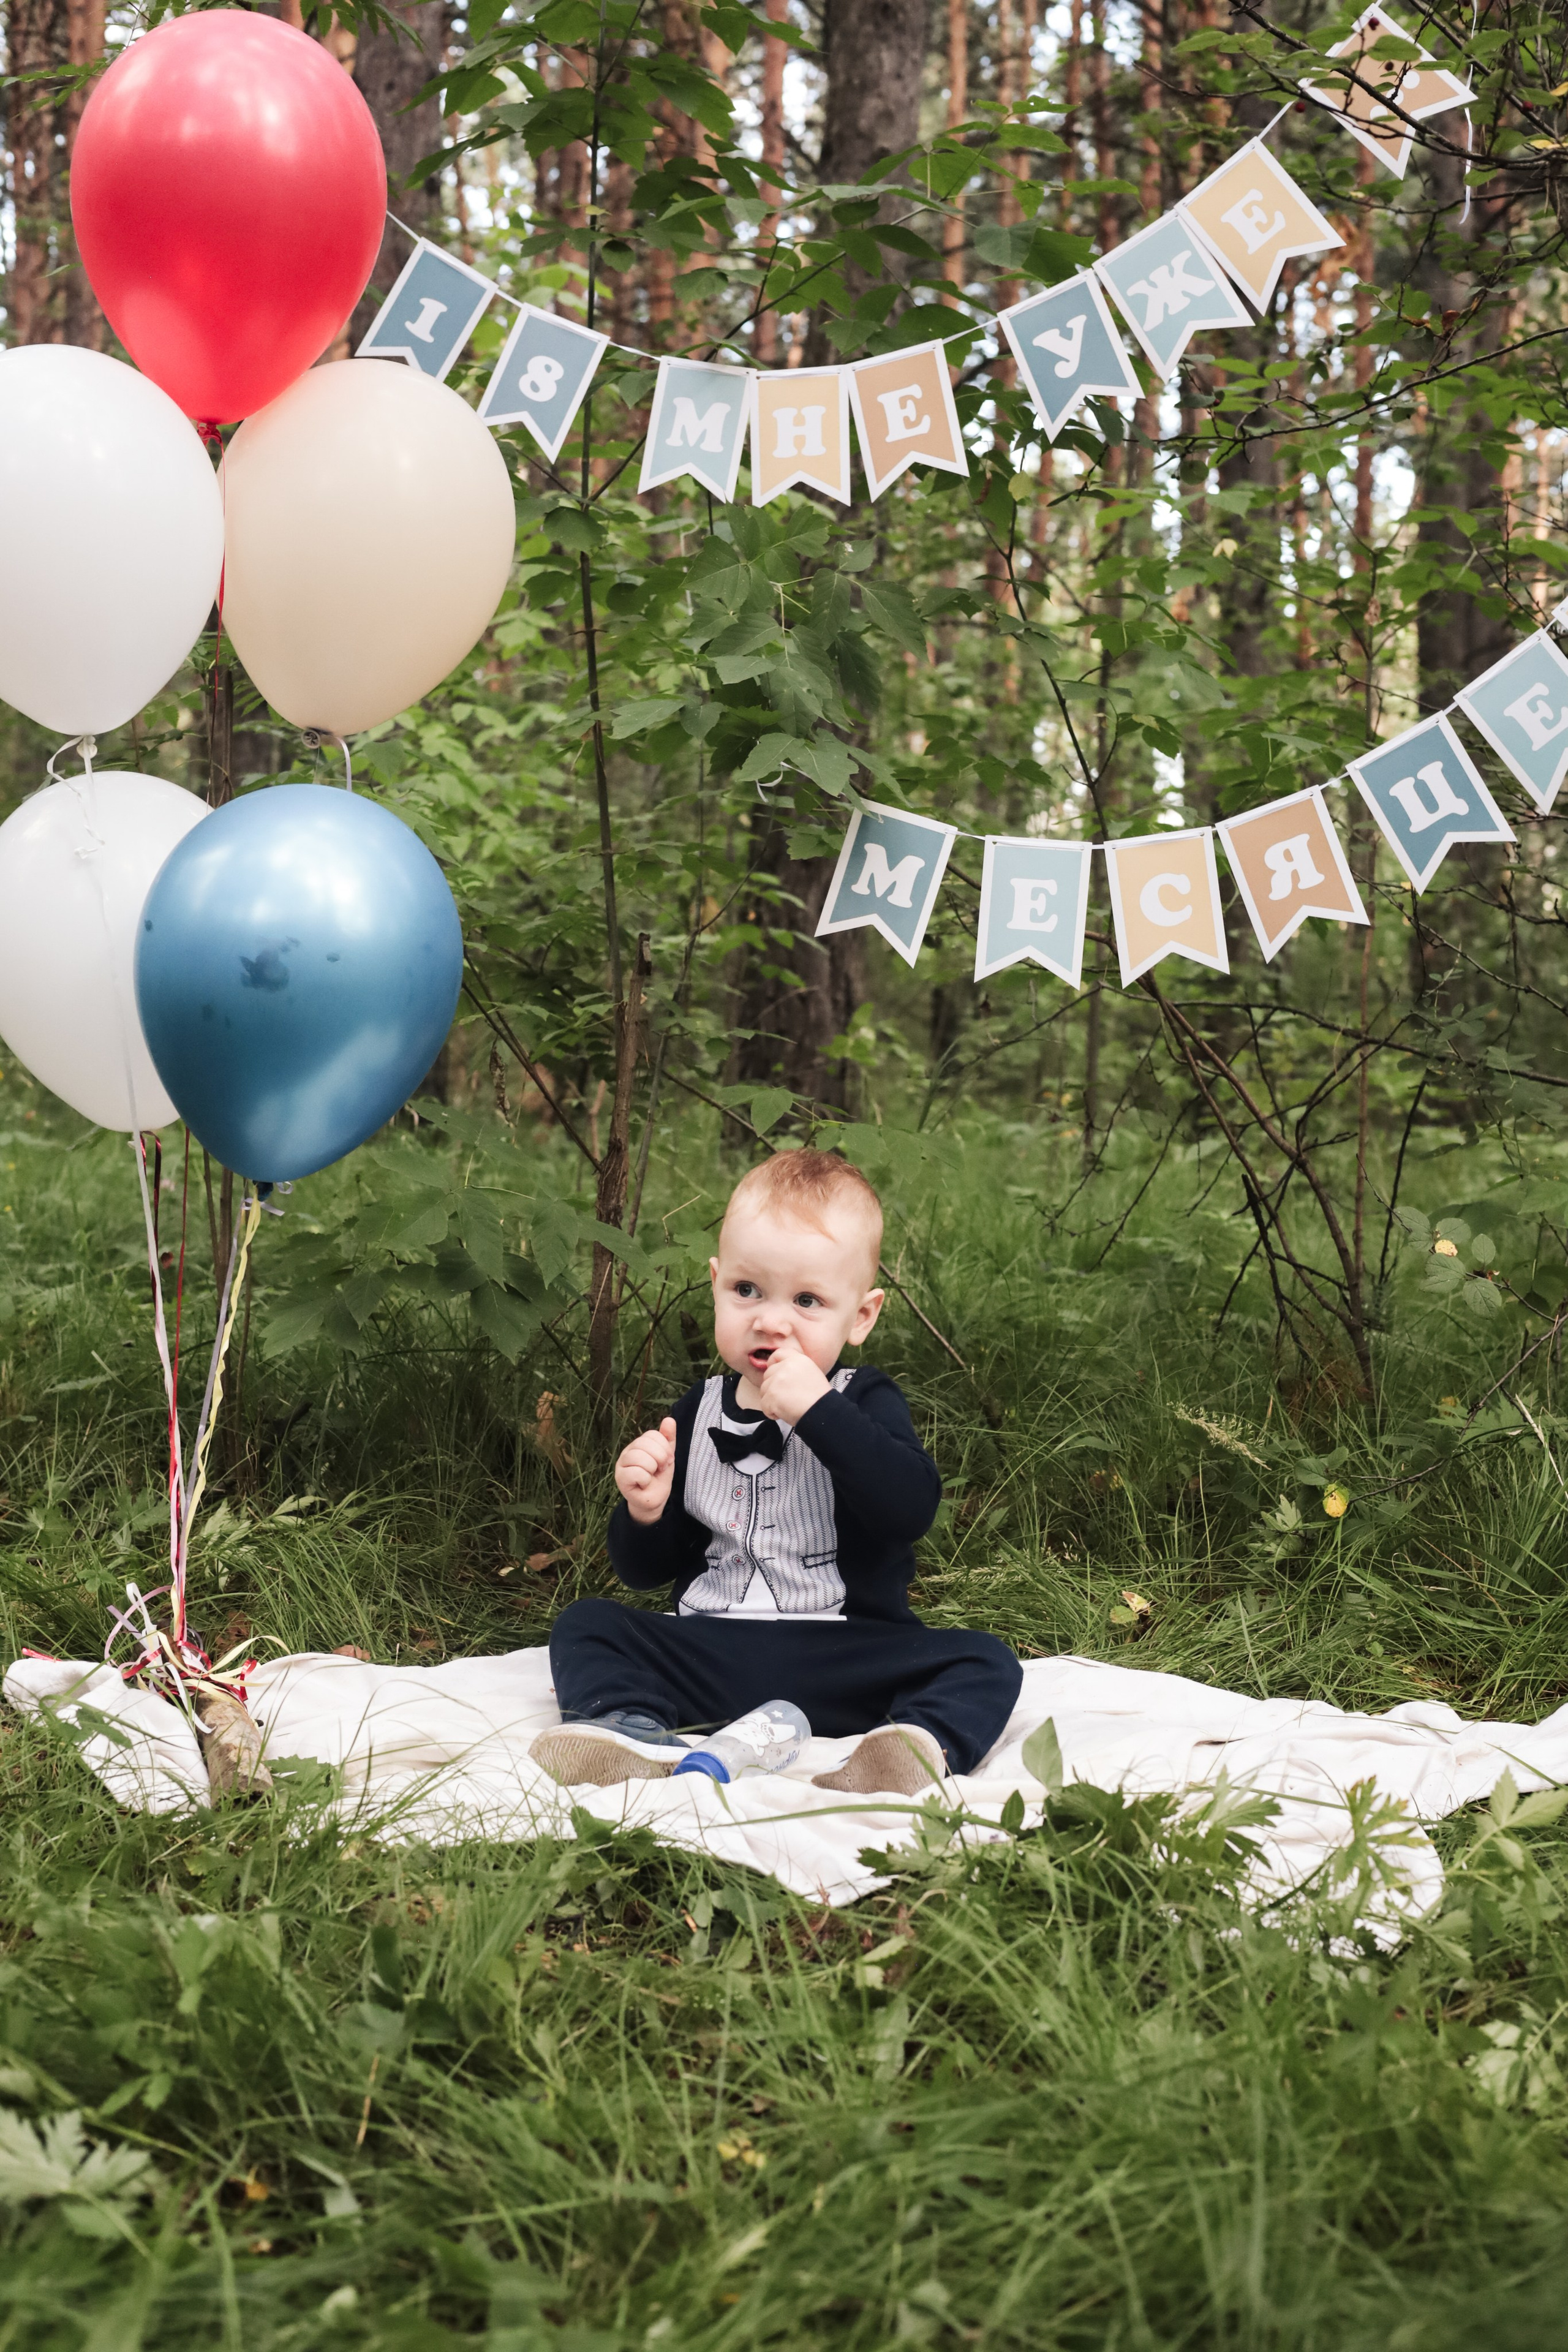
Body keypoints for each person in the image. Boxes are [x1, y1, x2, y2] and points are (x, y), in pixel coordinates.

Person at [530, 1149, 1022, 1796]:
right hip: (711, 1651)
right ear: (716, 1284)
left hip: (842, 1657)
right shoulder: (698, 1408)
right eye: (746, 1290)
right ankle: (632, 1730)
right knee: (587, 1624)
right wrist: (645, 1512)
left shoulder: (860, 1400)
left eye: (808, 1300)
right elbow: (646, 1571)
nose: (770, 1319)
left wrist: (819, 1412)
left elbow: (909, 1510)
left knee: (985, 1659)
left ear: (861, 1317)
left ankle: (909, 1748)